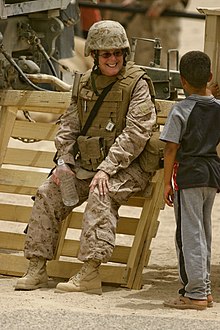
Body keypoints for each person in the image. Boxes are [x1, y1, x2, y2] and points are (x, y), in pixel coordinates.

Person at [15, 20, 157, 294]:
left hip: (129, 166)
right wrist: (65, 163)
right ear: (94, 55)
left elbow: (136, 134)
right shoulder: (83, 84)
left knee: (101, 193)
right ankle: (37, 268)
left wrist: (106, 169)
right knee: (48, 191)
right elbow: (68, 126)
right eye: (106, 54)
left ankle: (90, 272)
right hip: (87, 165)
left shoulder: (136, 84)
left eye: (117, 53)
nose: (113, 59)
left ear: (124, 54)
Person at [160, 50, 220, 310]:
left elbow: (170, 148)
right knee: (204, 232)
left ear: (182, 81)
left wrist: (166, 184)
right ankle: (204, 290)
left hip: (189, 175)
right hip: (211, 174)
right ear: (208, 76)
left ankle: (194, 293)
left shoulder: (180, 110)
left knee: (189, 234)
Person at [106, 0, 188, 68]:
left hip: (164, 15)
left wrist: (163, 3)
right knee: (138, 62)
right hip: (142, 12)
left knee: (163, 63)